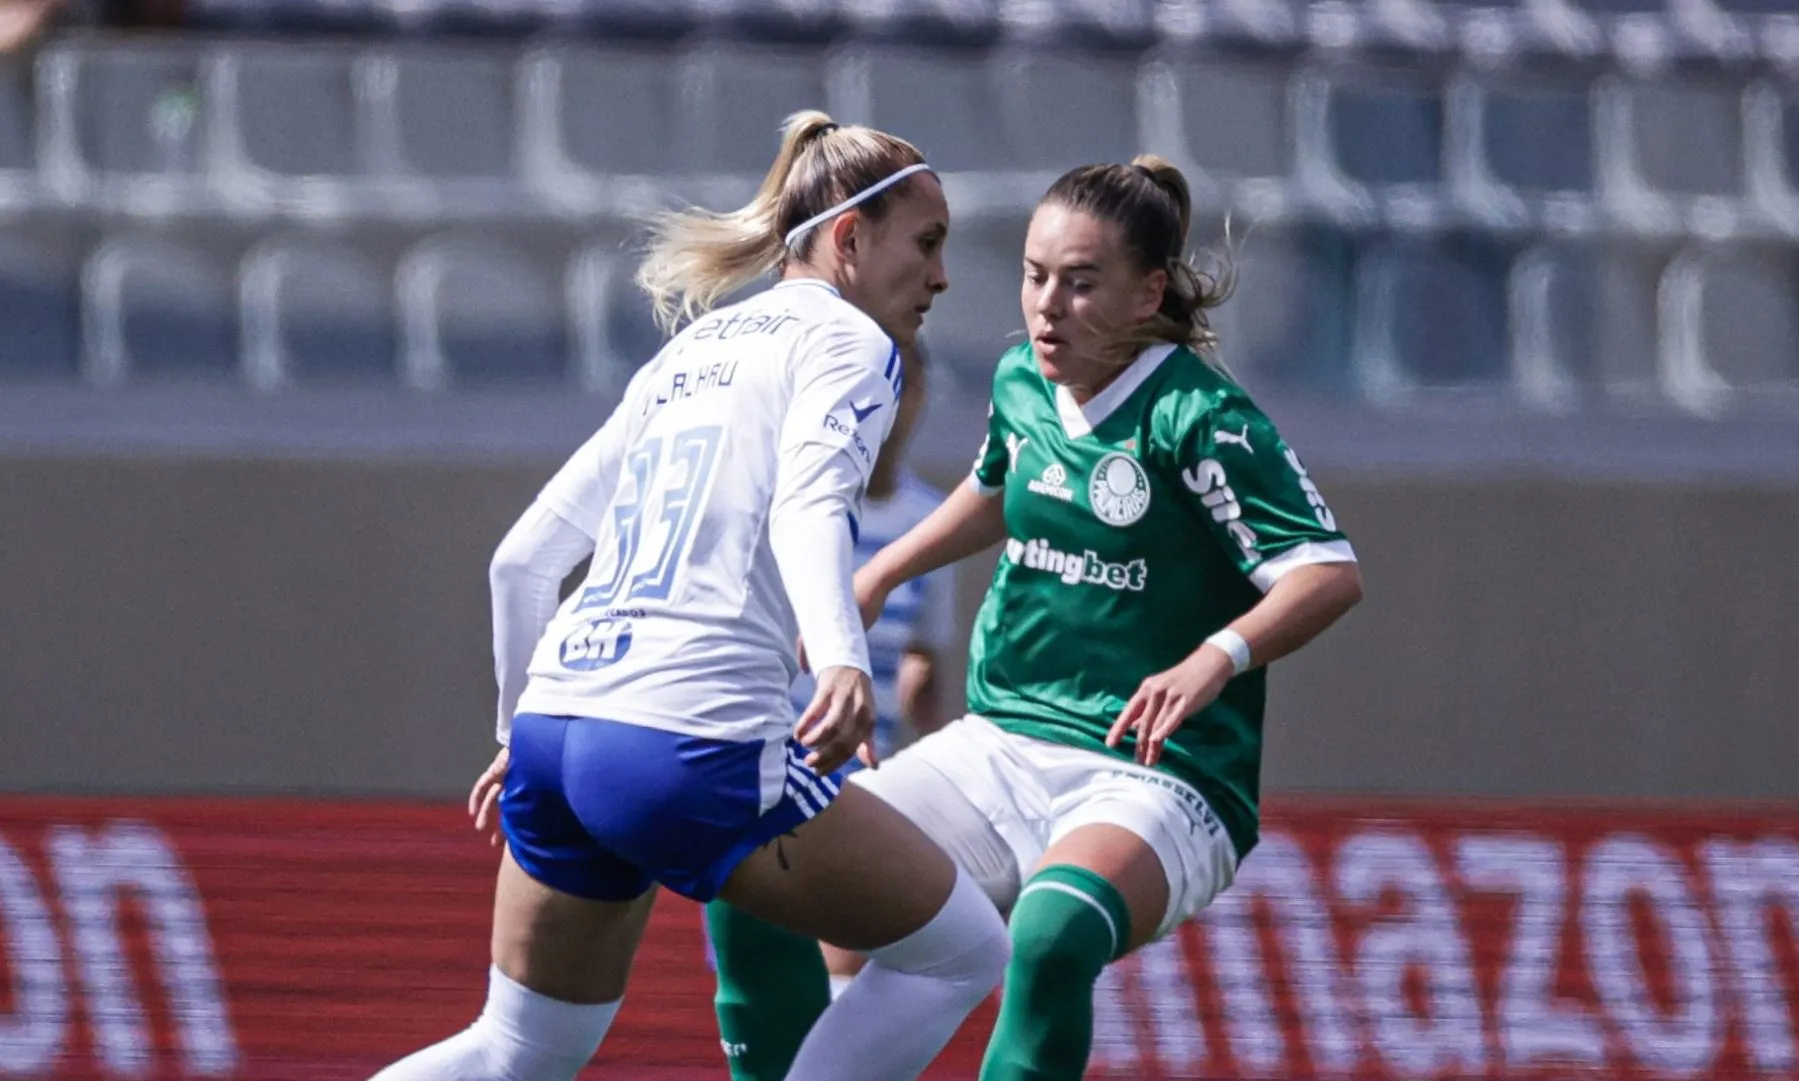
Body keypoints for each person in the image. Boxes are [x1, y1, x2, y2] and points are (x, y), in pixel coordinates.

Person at [369, 111, 1009, 1081]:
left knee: (519, 1049)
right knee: (965, 948)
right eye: (927, 244)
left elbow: (523, 561)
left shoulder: (685, 354)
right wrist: (839, 655)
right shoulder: (848, 341)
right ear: (849, 238)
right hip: (689, 743)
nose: (942, 276)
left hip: (556, 729)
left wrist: (514, 733)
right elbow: (808, 497)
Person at [705, 154, 1364, 1081]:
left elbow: (1328, 572)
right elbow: (1002, 487)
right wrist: (884, 571)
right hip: (999, 746)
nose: (1047, 304)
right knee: (756, 864)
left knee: (1052, 935)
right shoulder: (1023, 380)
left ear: (1149, 294)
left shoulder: (1202, 417)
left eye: (1082, 282)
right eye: (1035, 274)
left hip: (1155, 774)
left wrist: (1214, 657)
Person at [789, 335, 958, 996]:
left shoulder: (933, 521)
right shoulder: (805, 507)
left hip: (861, 771)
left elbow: (922, 655)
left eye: (904, 386)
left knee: (843, 960)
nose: (889, 406)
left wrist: (941, 758)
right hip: (773, 765)